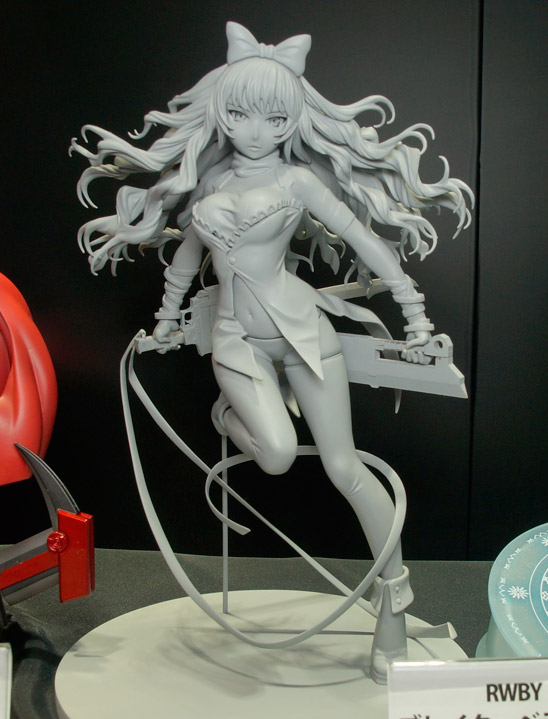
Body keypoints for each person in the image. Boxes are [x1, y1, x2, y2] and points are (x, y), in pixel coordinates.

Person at [72, 21, 473, 682]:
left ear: (292, 120)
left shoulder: (299, 183)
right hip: (237, 342)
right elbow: (186, 259)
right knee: (279, 456)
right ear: (220, 112)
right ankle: (234, 416)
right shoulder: (207, 185)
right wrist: (168, 318)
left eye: (273, 118)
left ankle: (393, 609)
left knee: (345, 468)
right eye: (239, 115)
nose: (254, 131)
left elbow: (365, 239)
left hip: (306, 336)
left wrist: (413, 309)